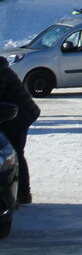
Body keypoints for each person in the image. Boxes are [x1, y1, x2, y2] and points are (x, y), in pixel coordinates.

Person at [0, 55, 41, 205]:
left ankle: (22, 194)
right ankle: (22, 194)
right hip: (17, 114)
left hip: (20, 115)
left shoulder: (0, 71)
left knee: (14, 153)